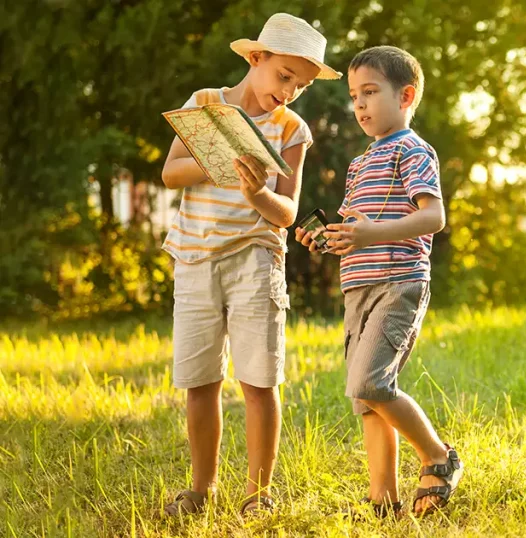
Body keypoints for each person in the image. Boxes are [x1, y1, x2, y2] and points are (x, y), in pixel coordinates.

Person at [158, 12, 340, 517]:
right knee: (200, 382)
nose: (290, 92)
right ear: (256, 58)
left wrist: (256, 189)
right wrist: (219, 162)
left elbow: (285, 213)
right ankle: (200, 489)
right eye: (285, 76)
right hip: (194, 257)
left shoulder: (291, 129)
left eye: (301, 85)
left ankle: (258, 495)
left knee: (259, 382)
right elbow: (171, 173)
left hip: (255, 262)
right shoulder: (206, 105)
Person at [295, 45, 462, 519]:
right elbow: (356, 231)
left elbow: (433, 217)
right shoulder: (359, 162)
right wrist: (329, 239)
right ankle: (382, 501)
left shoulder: (412, 150)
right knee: (366, 399)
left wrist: (371, 232)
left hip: (399, 283)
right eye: (354, 95)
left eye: (370, 92)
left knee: (371, 382)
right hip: (359, 286)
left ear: (405, 95)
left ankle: (436, 455)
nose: (359, 105)